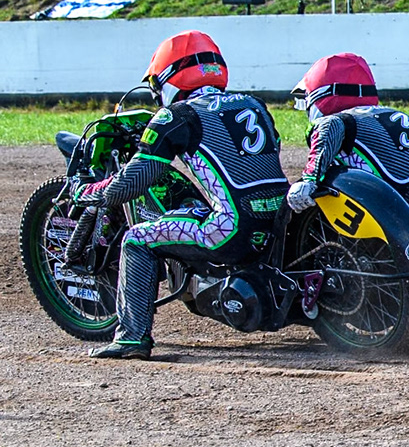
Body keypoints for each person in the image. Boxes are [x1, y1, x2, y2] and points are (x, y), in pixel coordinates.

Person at [70, 31, 286, 359]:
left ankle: (131, 338)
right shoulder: (254, 104)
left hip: (232, 228)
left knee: (136, 240)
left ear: (170, 78)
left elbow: (131, 184)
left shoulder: (177, 116)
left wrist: (87, 192)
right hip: (281, 220)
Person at [286, 53, 409, 248]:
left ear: (321, 95)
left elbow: (329, 127)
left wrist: (308, 181)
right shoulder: (392, 113)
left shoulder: (338, 120)